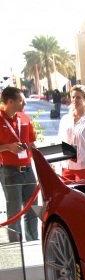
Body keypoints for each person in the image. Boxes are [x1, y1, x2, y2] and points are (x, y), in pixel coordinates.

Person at [0, 86, 38, 242]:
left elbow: (32, 144)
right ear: (10, 102)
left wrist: (42, 164)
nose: (25, 104)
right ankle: (16, 249)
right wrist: (8, 147)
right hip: (9, 171)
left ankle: (33, 245)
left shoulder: (25, 118)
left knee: (33, 211)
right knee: (14, 213)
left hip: (28, 170)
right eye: (21, 100)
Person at [57, 84, 85, 181]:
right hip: (67, 167)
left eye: (78, 97)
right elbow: (60, 142)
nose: (75, 100)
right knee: (67, 191)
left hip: (84, 168)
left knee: (84, 191)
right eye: (73, 97)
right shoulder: (65, 119)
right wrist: (56, 165)